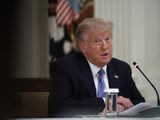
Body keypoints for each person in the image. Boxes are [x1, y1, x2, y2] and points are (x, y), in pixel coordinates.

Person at [48, 18, 145, 117]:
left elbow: (140, 103)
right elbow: (61, 107)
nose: (105, 46)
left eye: (107, 39)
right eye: (97, 41)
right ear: (83, 46)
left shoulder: (122, 68)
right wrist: (107, 102)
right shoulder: (66, 67)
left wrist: (123, 107)